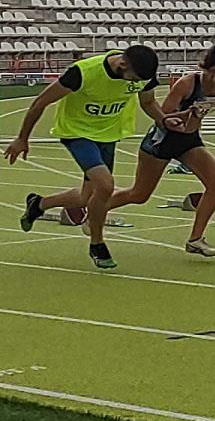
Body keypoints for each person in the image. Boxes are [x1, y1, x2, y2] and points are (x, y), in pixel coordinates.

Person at [6, 45, 163, 269]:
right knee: (105, 186)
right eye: (134, 79)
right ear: (123, 64)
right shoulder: (83, 72)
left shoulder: (142, 75)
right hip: (77, 133)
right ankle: (97, 244)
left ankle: (38, 204)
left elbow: (148, 102)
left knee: (85, 198)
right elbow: (41, 102)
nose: (135, 84)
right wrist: (22, 138)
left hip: (108, 135)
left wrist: (164, 121)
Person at [104, 42, 215, 257]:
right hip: (163, 141)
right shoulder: (187, 84)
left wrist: (197, 115)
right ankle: (97, 209)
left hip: (189, 141)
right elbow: (163, 116)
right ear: (212, 71)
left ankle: (195, 239)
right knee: (139, 194)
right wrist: (187, 113)